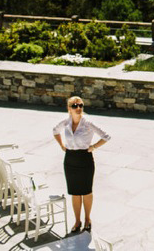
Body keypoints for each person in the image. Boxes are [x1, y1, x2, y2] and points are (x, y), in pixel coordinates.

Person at [52, 96, 111, 233]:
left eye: (80, 105)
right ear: (69, 108)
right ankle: (77, 221)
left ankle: (87, 219)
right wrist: (61, 145)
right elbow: (55, 131)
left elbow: (106, 136)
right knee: (75, 193)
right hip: (70, 159)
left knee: (86, 192)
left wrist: (94, 147)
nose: (78, 108)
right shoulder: (66, 122)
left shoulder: (88, 123)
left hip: (85, 159)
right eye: (74, 106)